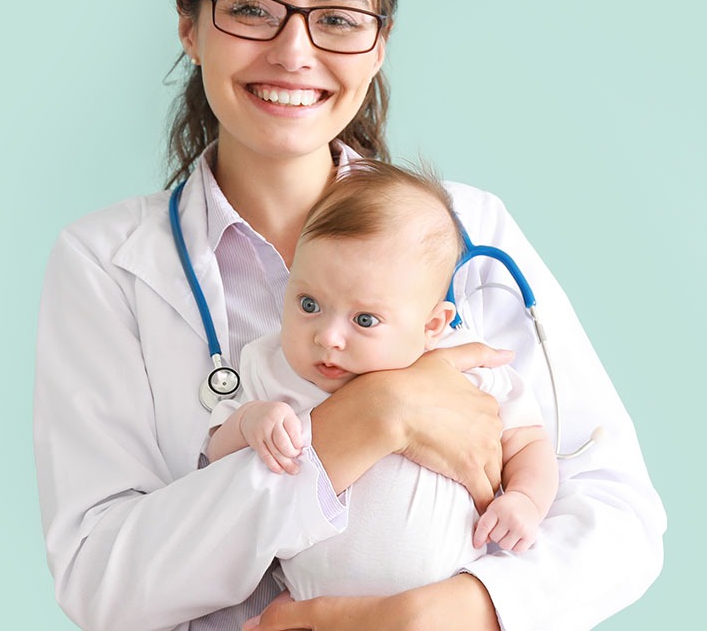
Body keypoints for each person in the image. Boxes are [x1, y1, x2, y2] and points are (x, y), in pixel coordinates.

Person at [34, 0, 666, 631]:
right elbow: (103, 581)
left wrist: (440, 615)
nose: (294, 50)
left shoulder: (469, 232)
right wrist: (373, 414)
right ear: (189, 25)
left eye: (337, 18)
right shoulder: (108, 264)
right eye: (250, 9)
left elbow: (617, 513)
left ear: (378, 46)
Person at [206, 160, 559, 599]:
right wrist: (248, 423)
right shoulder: (270, 364)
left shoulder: (465, 366)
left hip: (442, 606)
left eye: (365, 319)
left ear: (432, 326)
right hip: (311, 608)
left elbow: (528, 442)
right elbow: (214, 456)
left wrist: (525, 498)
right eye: (309, 304)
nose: (328, 337)